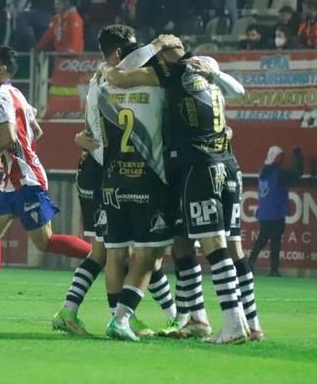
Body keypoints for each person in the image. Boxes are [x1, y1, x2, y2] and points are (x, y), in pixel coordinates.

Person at [102, 39, 256, 345]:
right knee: (200, 242)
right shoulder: (205, 74)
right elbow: (238, 91)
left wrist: (108, 65)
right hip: (224, 161)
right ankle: (216, 319)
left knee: (215, 245)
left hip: (198, 166)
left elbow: (118, 76)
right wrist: (216, 73)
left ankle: (235, 323)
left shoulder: (173, 73)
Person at [52, 26, 178, 338]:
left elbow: (90, 129)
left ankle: (143, 315)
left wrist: (81, 137)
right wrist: (156, 45)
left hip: (105, 170)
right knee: (109, 253)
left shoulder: (100, 80)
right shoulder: (112, 77)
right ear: (121, 54)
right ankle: (102, 315)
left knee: (134, 253)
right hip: (102, 172)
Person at [0, 44, 92, 318]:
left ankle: (105, 258)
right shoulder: (15, 93)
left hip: (26, 179)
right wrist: (6, 157)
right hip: (12, 179)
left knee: (45, 242)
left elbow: (10, 137)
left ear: (1, 69)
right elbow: (35, 130)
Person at [247, 145, 303, 276]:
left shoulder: (262, 171)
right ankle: (272, 269)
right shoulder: (280, 173)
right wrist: (298, 155)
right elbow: (298, 173)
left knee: (261, 240)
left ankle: (251, 264)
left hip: (264, 211)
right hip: (276, 213)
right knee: (275, 242)